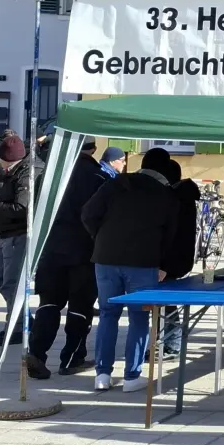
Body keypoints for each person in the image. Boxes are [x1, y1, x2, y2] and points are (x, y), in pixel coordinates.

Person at [83, 147, 179, 392]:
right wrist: (164, 264)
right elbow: (170, 236)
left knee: (108, 314)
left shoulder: (116, 183)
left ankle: (102, 375)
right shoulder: (165, 194)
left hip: (105, 258)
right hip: (143, 262)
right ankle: (131, 377)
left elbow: (88, 214)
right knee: (139, 317)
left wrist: (101, 238)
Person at [25, 140, 109, 379]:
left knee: (49, 304)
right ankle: (72, 358)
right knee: (80, 308)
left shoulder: (49, 176)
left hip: (51, 249)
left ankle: (37, 353)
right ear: (92, 150)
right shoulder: (99, 177)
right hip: (85, 251)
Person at [0, 134, 41, 347]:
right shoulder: (13, 171)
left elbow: (22, 208)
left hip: (19, 234)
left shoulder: (26, 174)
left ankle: (15, 328)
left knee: (12, 284)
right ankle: (26, 320)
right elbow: (10, 201)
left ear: (8, 159)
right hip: (6, 233)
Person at [158, 160, 200, 358]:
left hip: (171, 258)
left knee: (167, 304)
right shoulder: (185, 195)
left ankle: (171, 344)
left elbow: (172, 233)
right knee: (169, 303)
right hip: (181, 256)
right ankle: (171, 344)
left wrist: (165, 264)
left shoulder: (175, 198)